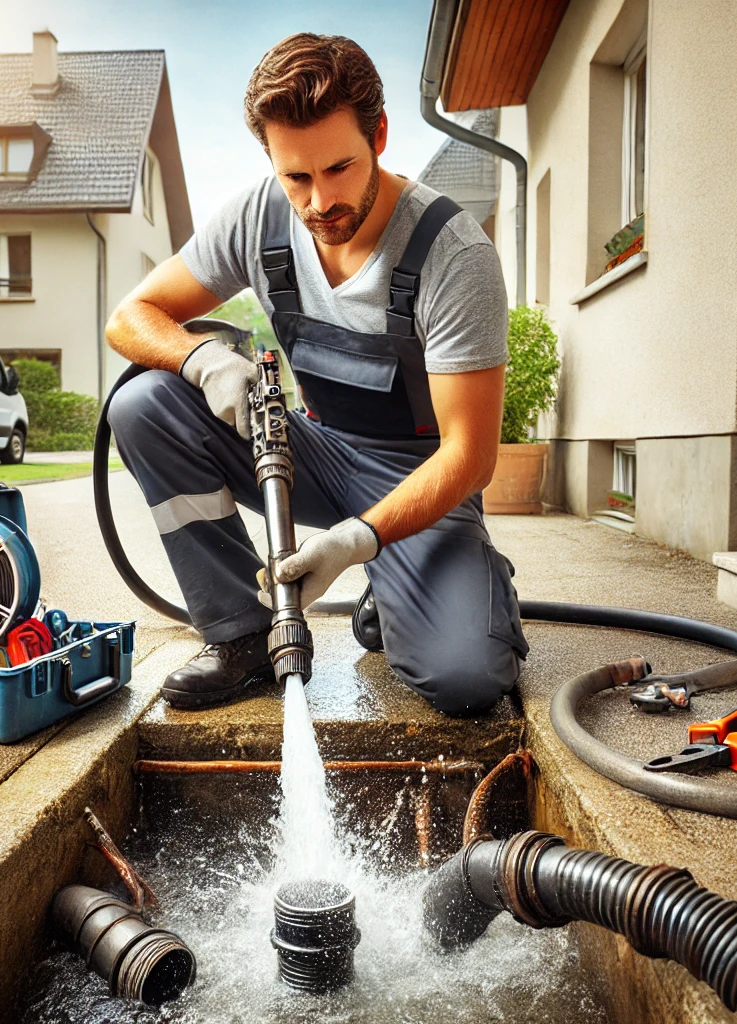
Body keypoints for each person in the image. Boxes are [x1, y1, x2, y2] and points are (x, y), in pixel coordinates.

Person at [105, 33, 528, 715]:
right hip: (317, 456)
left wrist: (356, 541)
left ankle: (442, 582)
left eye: (339, 169)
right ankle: (241, 639)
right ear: (270, 158)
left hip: (420, 477)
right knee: (145, 404)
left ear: (380, 135)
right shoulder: (260, 219)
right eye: (296, 176)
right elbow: (130, 316)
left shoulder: (451, 254)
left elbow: (471, 457)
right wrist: (201, 357)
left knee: (467, 679)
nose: (318, 202)